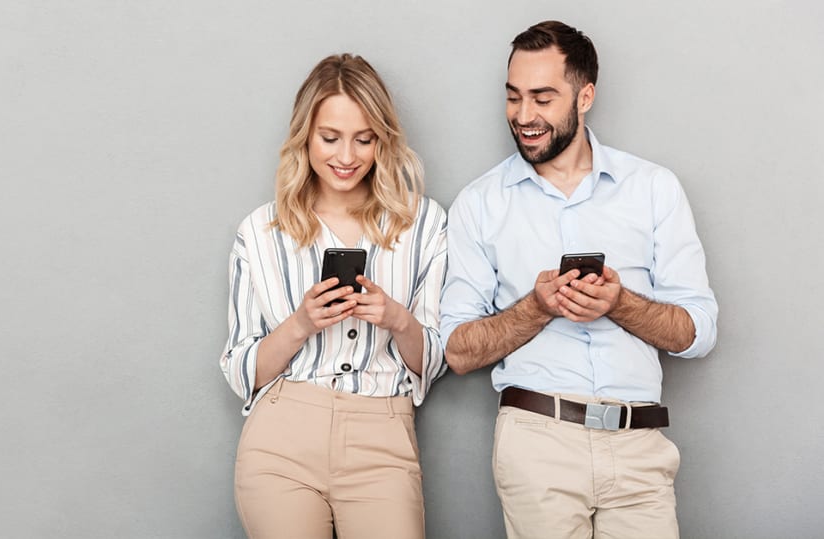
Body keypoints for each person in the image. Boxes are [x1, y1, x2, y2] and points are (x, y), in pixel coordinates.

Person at [440, 21, 718, 539]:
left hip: (640, 449)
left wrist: (620, 303)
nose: (524, 116)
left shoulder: (653, 189)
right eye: (514, 97)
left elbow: (697, 332)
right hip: (536, 445)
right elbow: (456, 350)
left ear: (585, 95)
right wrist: (537, 308)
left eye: (543, 98)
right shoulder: (480, 204)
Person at [220, 53, 447, 539]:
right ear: (305, 136)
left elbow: (434, 360)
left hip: (382, 437)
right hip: (282, 437)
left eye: (364, 140)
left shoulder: (423, 224)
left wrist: (396, 320)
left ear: (382, 141)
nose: (347, 157)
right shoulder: (260, 233)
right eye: (330, 138)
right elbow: (242, 372)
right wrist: (300, 323)